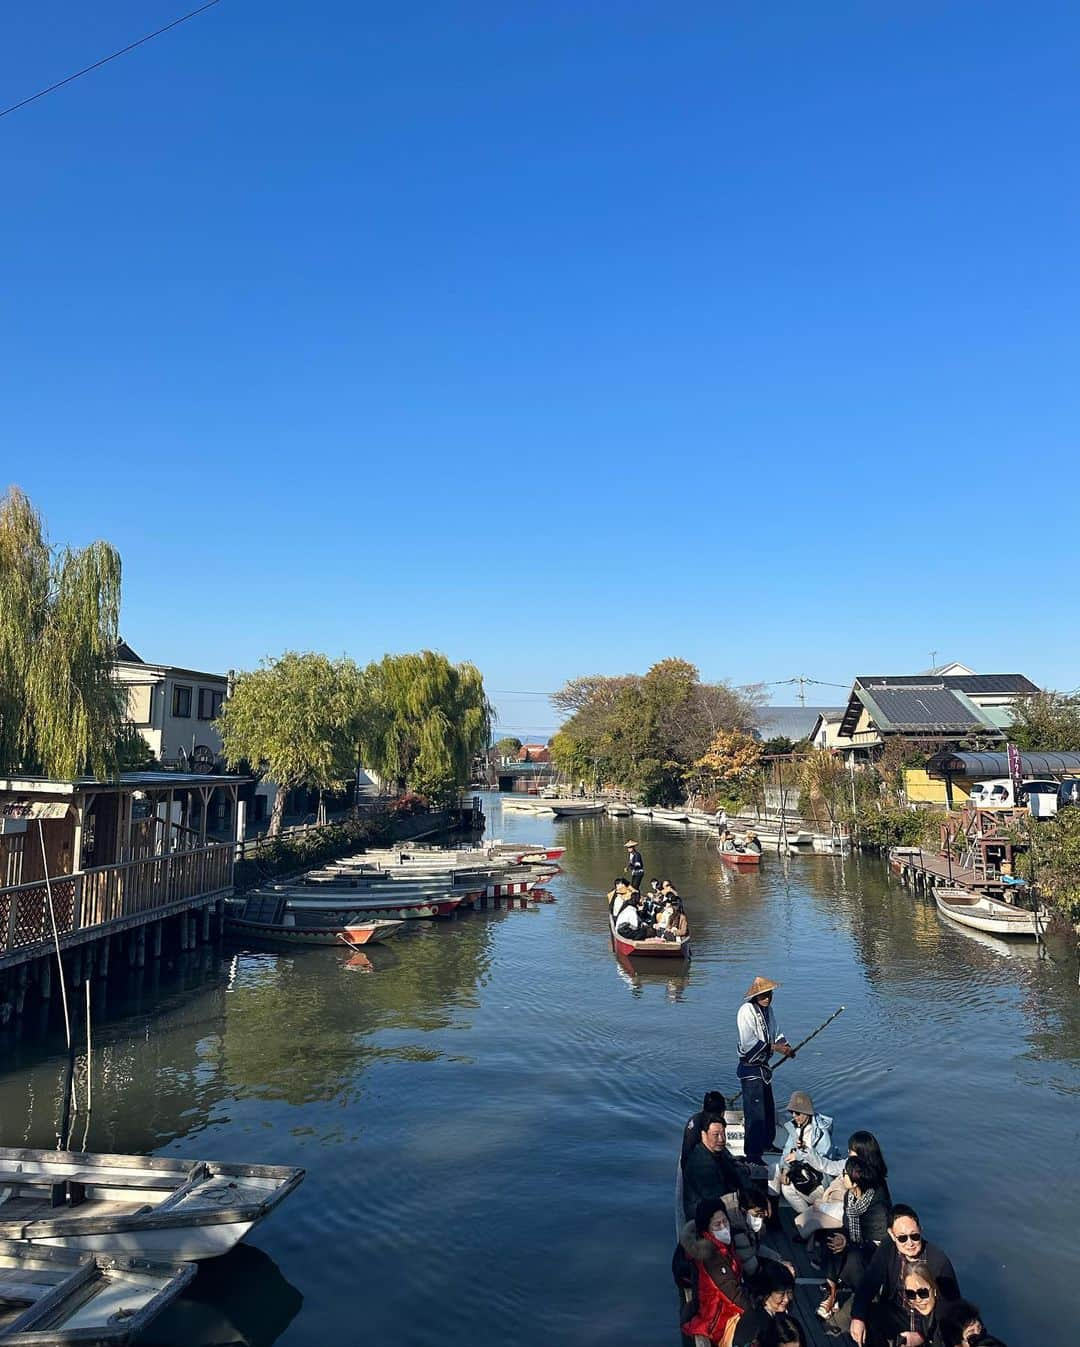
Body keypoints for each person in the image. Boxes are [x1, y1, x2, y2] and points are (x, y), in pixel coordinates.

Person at [850, 1204, 961, 1347]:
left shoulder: (939, 1262)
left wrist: (922, 1335)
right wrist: (857, 1316)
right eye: (902, 1238)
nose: (910, 1243)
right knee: (869, 1316)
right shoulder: (888, 1248)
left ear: (920, 1230)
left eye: (914, 1236)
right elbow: (869, 1282)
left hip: (929, 1323)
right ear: (891, 1234)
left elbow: (950, 1308)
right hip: (899, 1313)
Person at [814, 1156, 890, 1325]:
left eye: (845, 1174)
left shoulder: (876, 1204)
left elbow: (879, 1238)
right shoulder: (850, 1196)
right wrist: (844, 1238)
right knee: (830, 1239)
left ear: (855, 1182)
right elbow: (848, 1226)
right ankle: (832, 1290)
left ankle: (864, 1299)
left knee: (854, 1258)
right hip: (855, 1240)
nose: (842, 1177)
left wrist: (848, 1243)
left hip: (873, 1248)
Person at [675, 1198, 751, 1346]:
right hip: (717, 1319)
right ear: (706, 1230)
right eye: (717, 1224)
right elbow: (733, 1295)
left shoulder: (723, 1246)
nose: (724, 1227)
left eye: (725, 1221)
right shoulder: (710, 1256)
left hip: (726, 1309)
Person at [736, 977, 794, 1167]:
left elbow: (776, 1032)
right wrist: (776, 1048)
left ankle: (767, 1143)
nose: (767, 999)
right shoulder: (746, 1011)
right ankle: (752, 1154)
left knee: (768, 1109)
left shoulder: (769, 1011)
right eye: (763, 995)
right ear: (755, 995)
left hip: (763, 1069)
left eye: (769, 995)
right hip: (751, 1069)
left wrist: (786, 1046)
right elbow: (748, 1043)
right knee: (755, 1114)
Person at [795, 1130, 890, 1238]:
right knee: (812, 1213)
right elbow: (827, 1166)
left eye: (851, 1150)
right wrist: (806, 1150)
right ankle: (811, 1233)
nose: (848, 1151)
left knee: (816, 1211)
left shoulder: (872, 1178)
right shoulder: (849, 1163)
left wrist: (822, 1206)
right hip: (844, 1205)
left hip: (854, 1214)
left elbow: (861, 1206)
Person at [772, 1090, 834, 1214]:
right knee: (774, 1171)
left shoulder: (821, 1132)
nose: (794, 1116)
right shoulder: (796, 1128)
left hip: (818, 1181)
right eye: (792, 1112)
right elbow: (787, 1150)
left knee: (788, 1188)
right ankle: (805, 1217)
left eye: (798, 1113)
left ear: (807, 1112)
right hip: (801, 1172)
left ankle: (810, 1219)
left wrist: (800, 1155)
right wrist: (785, 1170)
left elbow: (824, 1161)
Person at [683, 1114, 745, 1220]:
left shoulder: (717, 1151)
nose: (721, 1139)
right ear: (703, 1135)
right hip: (705, 1214)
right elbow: (716, 1201)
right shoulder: (703, 1165)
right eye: (715, 1135)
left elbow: (732, 1172)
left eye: (723, 1134)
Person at [732, 1186, 793, 1282]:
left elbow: (754, 1246)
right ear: (744, 1210)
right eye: (757, 1214)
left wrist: (779, 1261)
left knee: (778, 1259)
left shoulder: (744, 1210)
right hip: (741, 1264)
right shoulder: (738, 1229)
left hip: (749, 1251)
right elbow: (749, 1264)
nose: (760, 1218)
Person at [730, 1260, 795, 1347]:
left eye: (789, 1292)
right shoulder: (753, 1321)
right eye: (781, 1294)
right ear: (766, 1293)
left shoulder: (778, 1312)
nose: (786, 1299)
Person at [681, 1092, 729, 1170]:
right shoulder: (711, 1124)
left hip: (688, 1166)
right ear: (722, 1112)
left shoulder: (695, 1118)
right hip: (700, 1169)